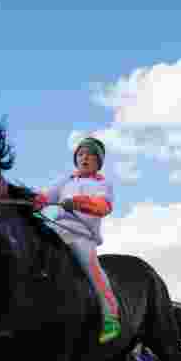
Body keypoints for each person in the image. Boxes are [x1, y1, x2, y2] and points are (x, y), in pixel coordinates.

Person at [32, 137, 121, 344]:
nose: (84, 158)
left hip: (81, 235)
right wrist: (34, 202)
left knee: (94, 271)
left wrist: (78, 203)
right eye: (80, 154)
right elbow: (46, 196)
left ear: (98, 161)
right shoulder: (67, 180)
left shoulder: (102, 184)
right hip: (57, 231)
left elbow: (103, 206)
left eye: (90, 154)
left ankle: (111, 318)